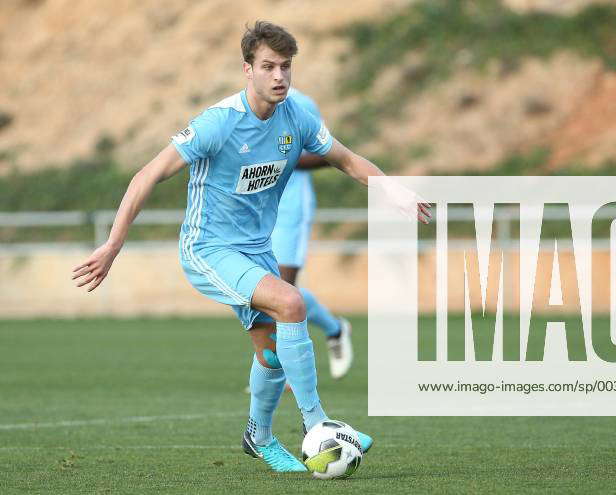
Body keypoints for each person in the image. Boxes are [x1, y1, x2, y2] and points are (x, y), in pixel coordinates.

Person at [71, 21, 430, 473]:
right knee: (291, 302)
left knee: (272, 352)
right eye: (268, 67)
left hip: (255, 248)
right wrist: (113, 244)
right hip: (209, 247)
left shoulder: (296, 116)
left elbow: (346, 160)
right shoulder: (218, 123)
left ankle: (258, 437)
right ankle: (318, 424)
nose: (279, 76)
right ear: (248, 70)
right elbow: (147, 175)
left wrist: (392, 189)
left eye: (286, 67)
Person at [273, 88, 353, 380]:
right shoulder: (242, 106)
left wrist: (281, 157)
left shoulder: (301, 103)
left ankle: (283, 373)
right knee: (260, 293)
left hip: (290, 208)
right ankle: (335, 328)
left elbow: (326, 154)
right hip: (256, 210)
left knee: (282, 291)